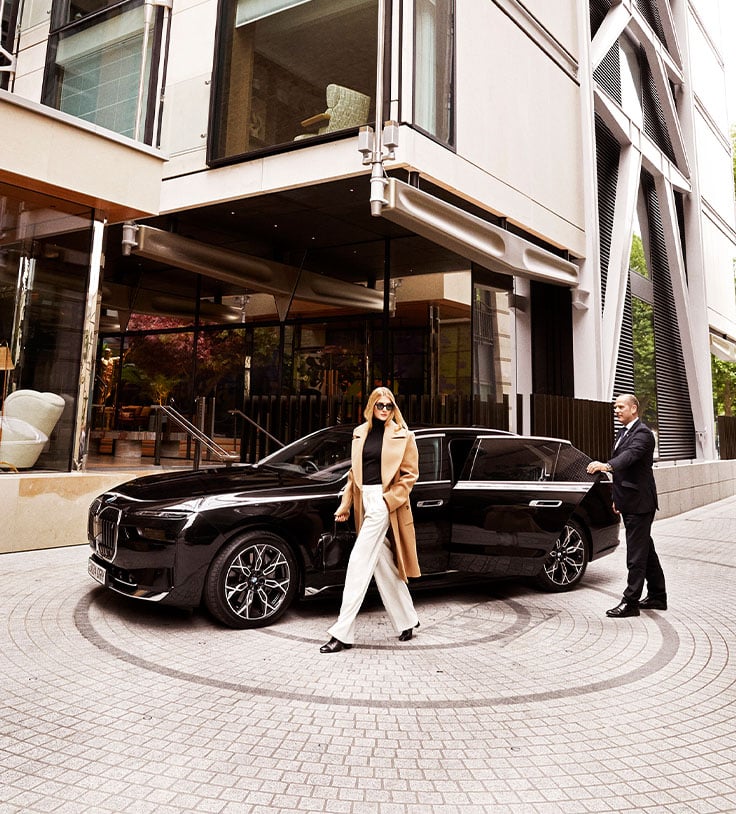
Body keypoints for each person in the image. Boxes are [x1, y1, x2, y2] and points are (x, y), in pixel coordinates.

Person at [320, 387, 421, 653]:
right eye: (380, 405)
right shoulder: (360, 433)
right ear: (371, 406)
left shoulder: (403, 435)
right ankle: (407, 619)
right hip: (365, 501)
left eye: (389, 405)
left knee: (358, 562)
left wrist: (388, 501)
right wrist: (346, 504)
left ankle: (342, 632)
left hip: (384, 503)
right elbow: (355, 475)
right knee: (382, 563)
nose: (385, 409)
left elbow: (410, 476)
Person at [587, 393, 667, 618]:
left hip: (641, 503)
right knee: (646, 551)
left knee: (636, 555)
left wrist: (606, 465)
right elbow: (625, 473)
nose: (616, 410)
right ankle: (658, 596)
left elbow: (629, 458)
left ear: (634, 409)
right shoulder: (622, 432)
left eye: (621, 407)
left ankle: (630, 601)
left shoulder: (643, 434)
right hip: (630, 500)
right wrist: (617, 498)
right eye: (615, 407)